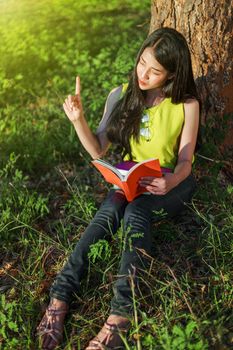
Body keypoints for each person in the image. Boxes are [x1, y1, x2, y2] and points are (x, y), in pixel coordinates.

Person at [37, 27, 199, 350]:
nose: (144, 73)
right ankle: (60, 296)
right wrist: (78, 120)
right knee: (108, 213)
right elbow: (98, 149)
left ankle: (120, 318)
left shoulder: (186, 104)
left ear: (171, 73)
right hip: (131, 179)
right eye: (142, 63)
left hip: (171, 183)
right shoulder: (123, 95)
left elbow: (185, 162)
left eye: (154, 71)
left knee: (136, 214)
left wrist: (170, 180)